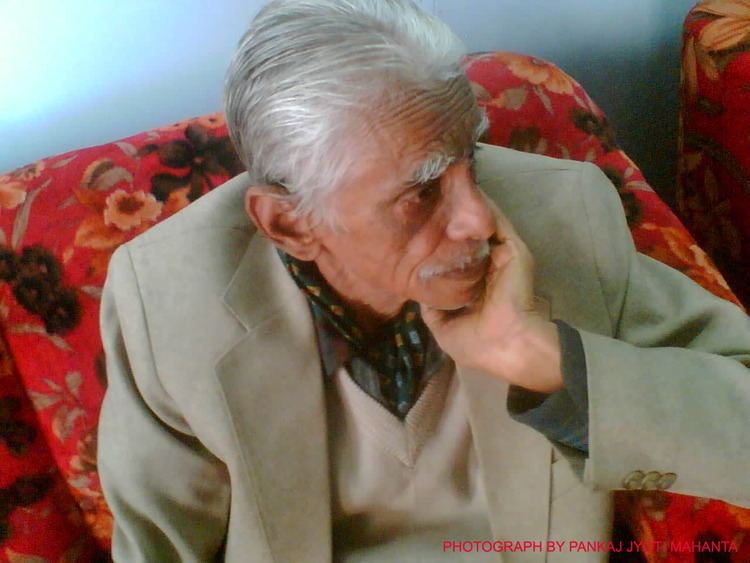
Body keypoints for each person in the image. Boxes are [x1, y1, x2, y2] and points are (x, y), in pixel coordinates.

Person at [97, 0, 750, 561]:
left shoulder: (565, 218)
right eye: (420, 192)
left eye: (470, 157)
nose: (478, 217)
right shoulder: (168, 296)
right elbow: (161, 545)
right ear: (290, 224)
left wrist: (542, 357)